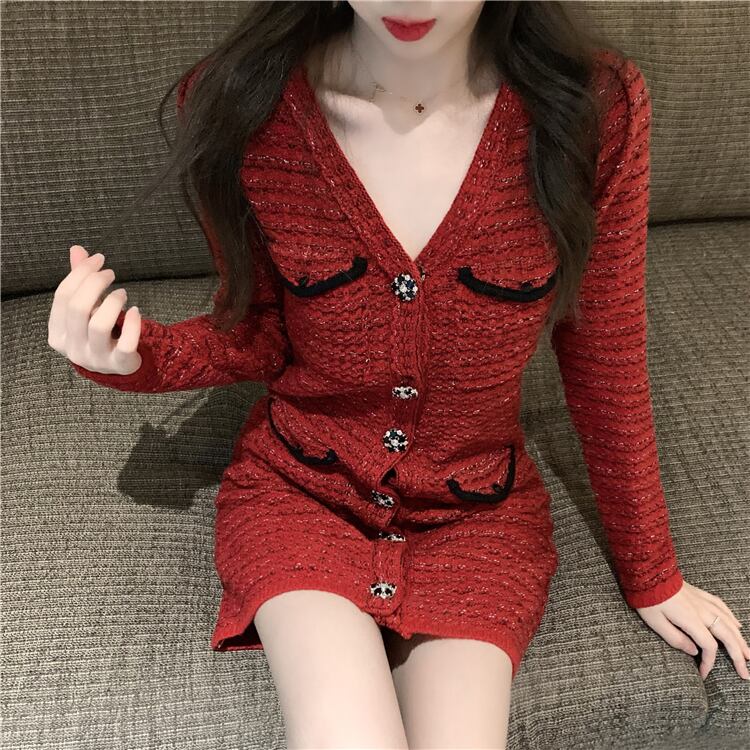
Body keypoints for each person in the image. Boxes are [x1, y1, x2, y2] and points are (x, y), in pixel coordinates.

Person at [48, 2, 750, 748]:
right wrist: (136, 353)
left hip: (476, 512)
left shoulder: (594, 111)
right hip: (302, 495)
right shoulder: (249, 105)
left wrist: (652, 572)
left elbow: (605, 353)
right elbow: (260, 330)